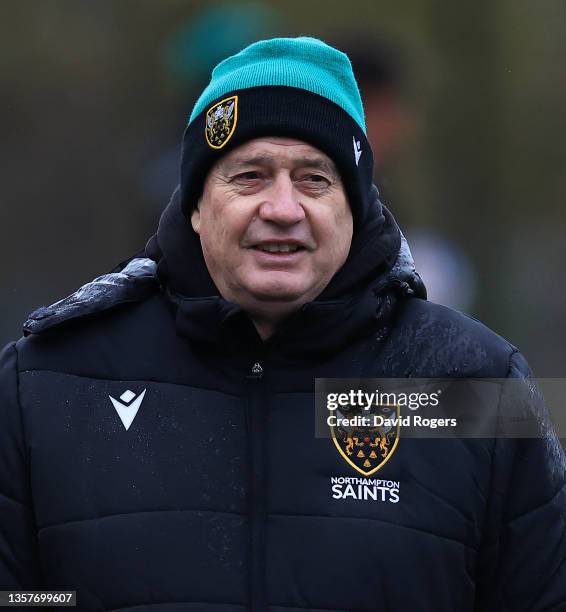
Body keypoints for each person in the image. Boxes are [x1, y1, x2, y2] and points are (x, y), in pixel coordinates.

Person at [1, 37, 565, 611]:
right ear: (196, 204)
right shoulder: (45, 384)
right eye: (249, 175)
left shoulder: (478, 385)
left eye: (315, 179)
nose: (283, 208)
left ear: (358, 207)